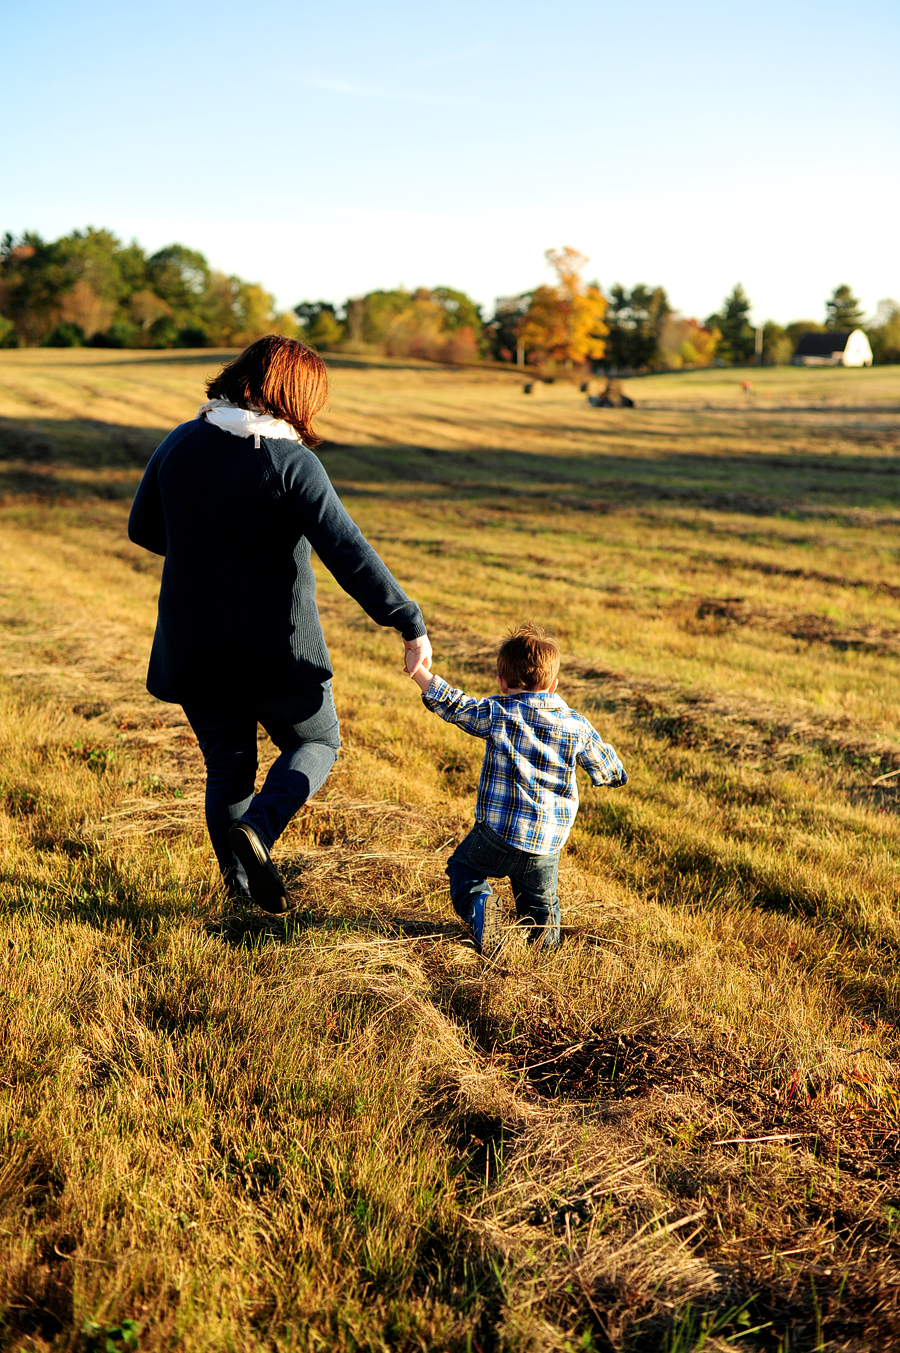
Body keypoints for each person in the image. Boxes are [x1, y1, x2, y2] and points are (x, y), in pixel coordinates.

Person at [128, 334, 431, 913]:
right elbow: (347, 551)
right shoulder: (292, 462)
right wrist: (407, 619)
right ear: (294, 397)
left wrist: (204, 544)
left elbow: (143, 530)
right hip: (277, 653)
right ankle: (261, 833)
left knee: (228, 767)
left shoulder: (180, 443)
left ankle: (240, 898)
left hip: (195, 650)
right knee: (316, 740)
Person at [407, 623, 626, 953]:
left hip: (497, 835)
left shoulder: (498, 712)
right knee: (542, 907)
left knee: (464, 869)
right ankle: (544, 957)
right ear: (553, 685)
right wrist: (615, 776)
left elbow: (456, 706)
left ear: (500, 680)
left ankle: (481, 906)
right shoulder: (576, 724)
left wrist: (419, 673)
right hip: (545, 844)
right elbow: (607, 767)